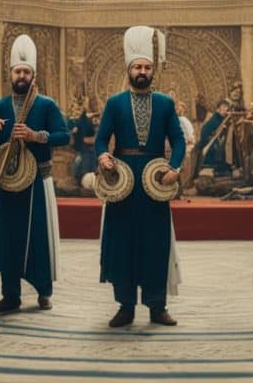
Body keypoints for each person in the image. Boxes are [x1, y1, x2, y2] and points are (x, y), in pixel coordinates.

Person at [96, 26, 186, 327]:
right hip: (121, 184)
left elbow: (179, 140)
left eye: (147, 67)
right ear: (129, 69)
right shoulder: (114, 103)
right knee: (122, 244)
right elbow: (100, 140)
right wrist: (103, 156)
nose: (143, 71)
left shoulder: (165, 104)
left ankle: (157, 307)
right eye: (138, 67)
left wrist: (174, 168)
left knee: (155, 244)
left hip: (155, 183)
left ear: (152, 71)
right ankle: (125, 306)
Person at [0, 35, 70, 314]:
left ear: (33, 75)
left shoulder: (46, 105)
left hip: (38, 181)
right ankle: (10, 295)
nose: (21, 76)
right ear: (10, 74)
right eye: (17, 71)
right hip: (7, 182)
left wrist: (36, 136)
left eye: (26, 72)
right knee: (8, 238)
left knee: (38, 237)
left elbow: (63, 136)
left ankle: (43, 292)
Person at [199, 100, 233, 177]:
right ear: (218, 109)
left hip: (214, 140)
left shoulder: (221, 118)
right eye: (223, 107)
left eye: (226, 107)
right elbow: (208, 132)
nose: (225, 109)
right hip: (208, 142)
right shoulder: (215, 118)